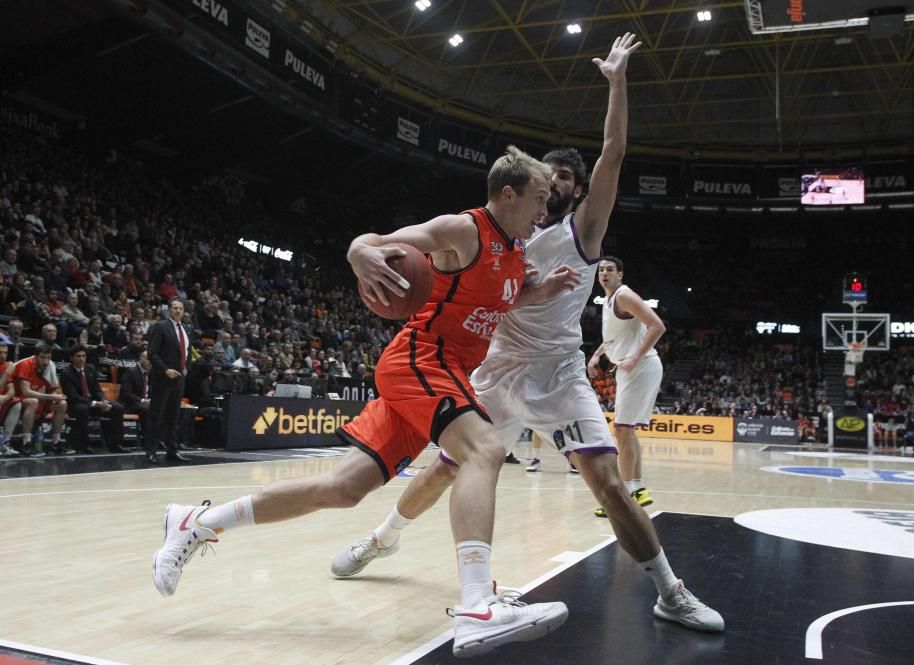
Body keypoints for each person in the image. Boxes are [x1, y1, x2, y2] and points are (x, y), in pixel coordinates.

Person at [331, 34, 723, 634]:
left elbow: (614, 154)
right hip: (496, 368)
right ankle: (381, 540)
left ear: (572, 189)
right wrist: (368, 248)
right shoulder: (502, 233)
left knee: (608, 483)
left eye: (564, 178)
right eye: (549, 175)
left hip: (559, 372)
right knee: (443, 469)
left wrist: (617, 82)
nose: (555, 183)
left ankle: (670, 590)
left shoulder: (582, 234)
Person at [151, 147, 581, 657]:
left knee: (343, 488)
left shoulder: (514, 253)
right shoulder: (464, 229)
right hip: (422, 358)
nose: (543, 210)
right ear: (507, 194)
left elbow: (495, 300)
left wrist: (539, 292)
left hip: (438, 371)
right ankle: (476, 605)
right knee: (484, 450)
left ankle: (197, 523)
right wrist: (359, 250)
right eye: (536, 199)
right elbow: (379, 242)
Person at [586, 255, 666, 516]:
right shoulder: (610, 300)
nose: (604, 273)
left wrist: (634, 356)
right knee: (625, 429)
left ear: (620, 274)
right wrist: (598, 354)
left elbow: (657, 326)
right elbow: (614, 337)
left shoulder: (624, 295)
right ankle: (636, 490)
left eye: (609, 269)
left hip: (641, 368)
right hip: (628, 369)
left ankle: (626, 493)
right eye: (601, 270)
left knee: (622, 428)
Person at [145, 299, 192, 464]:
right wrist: (165, 370)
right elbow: (152, 353)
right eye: (174, 308)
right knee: (156, 415)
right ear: (169, 310)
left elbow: (188, 352)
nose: (178, 310)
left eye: (180, 308)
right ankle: (150, 451)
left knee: (173, 417)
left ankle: (172, 450)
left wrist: (187, 367)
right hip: (163, 378)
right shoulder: (160, 326)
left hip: (179, 380)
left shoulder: (185, 329)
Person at [59, 344, 126, 453]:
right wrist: (95, 404)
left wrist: (103, 401)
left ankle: (116, 444)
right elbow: (73, 396)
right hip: (75, 404)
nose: (81, 359)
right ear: (71, 358)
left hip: (93, 402)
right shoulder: (66, 373)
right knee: (83, 409)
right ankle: (84, 445)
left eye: (83, 356)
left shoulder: (91, 368)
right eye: (78, 356)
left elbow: (97, 389)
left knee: (117, 407)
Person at [12, 342, 70, 456]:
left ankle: (56, 443)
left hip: (39, 399)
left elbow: (54, 389)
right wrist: (50, 396)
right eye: (42, 357)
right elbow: (26, 392)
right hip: (16, 399)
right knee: (33, 402)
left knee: (62, 404)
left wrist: (56, 395)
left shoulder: (50, 366)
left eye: (48, 358)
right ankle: (26, 443)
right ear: (36, 357)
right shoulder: (26, 364)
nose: (46, 361)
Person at [119, 350, 152, 448]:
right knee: (148, 410)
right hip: (129, 404)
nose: (150, 362)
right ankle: (147, 441)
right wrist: (143, 401)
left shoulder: (150, 373)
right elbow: (126, 394)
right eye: (147, 359)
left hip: (142, 404)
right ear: (140, 359)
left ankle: (158, 439)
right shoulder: (131, 372)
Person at [0, 336, 23, 456]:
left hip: (2, 399)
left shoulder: (6, 365)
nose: (3, 356)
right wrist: (8, 372)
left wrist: (5, 398)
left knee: (17, 403)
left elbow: (12, 390)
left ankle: (5, 443)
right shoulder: (8, 368)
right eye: (0, 353)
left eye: (5, 353)